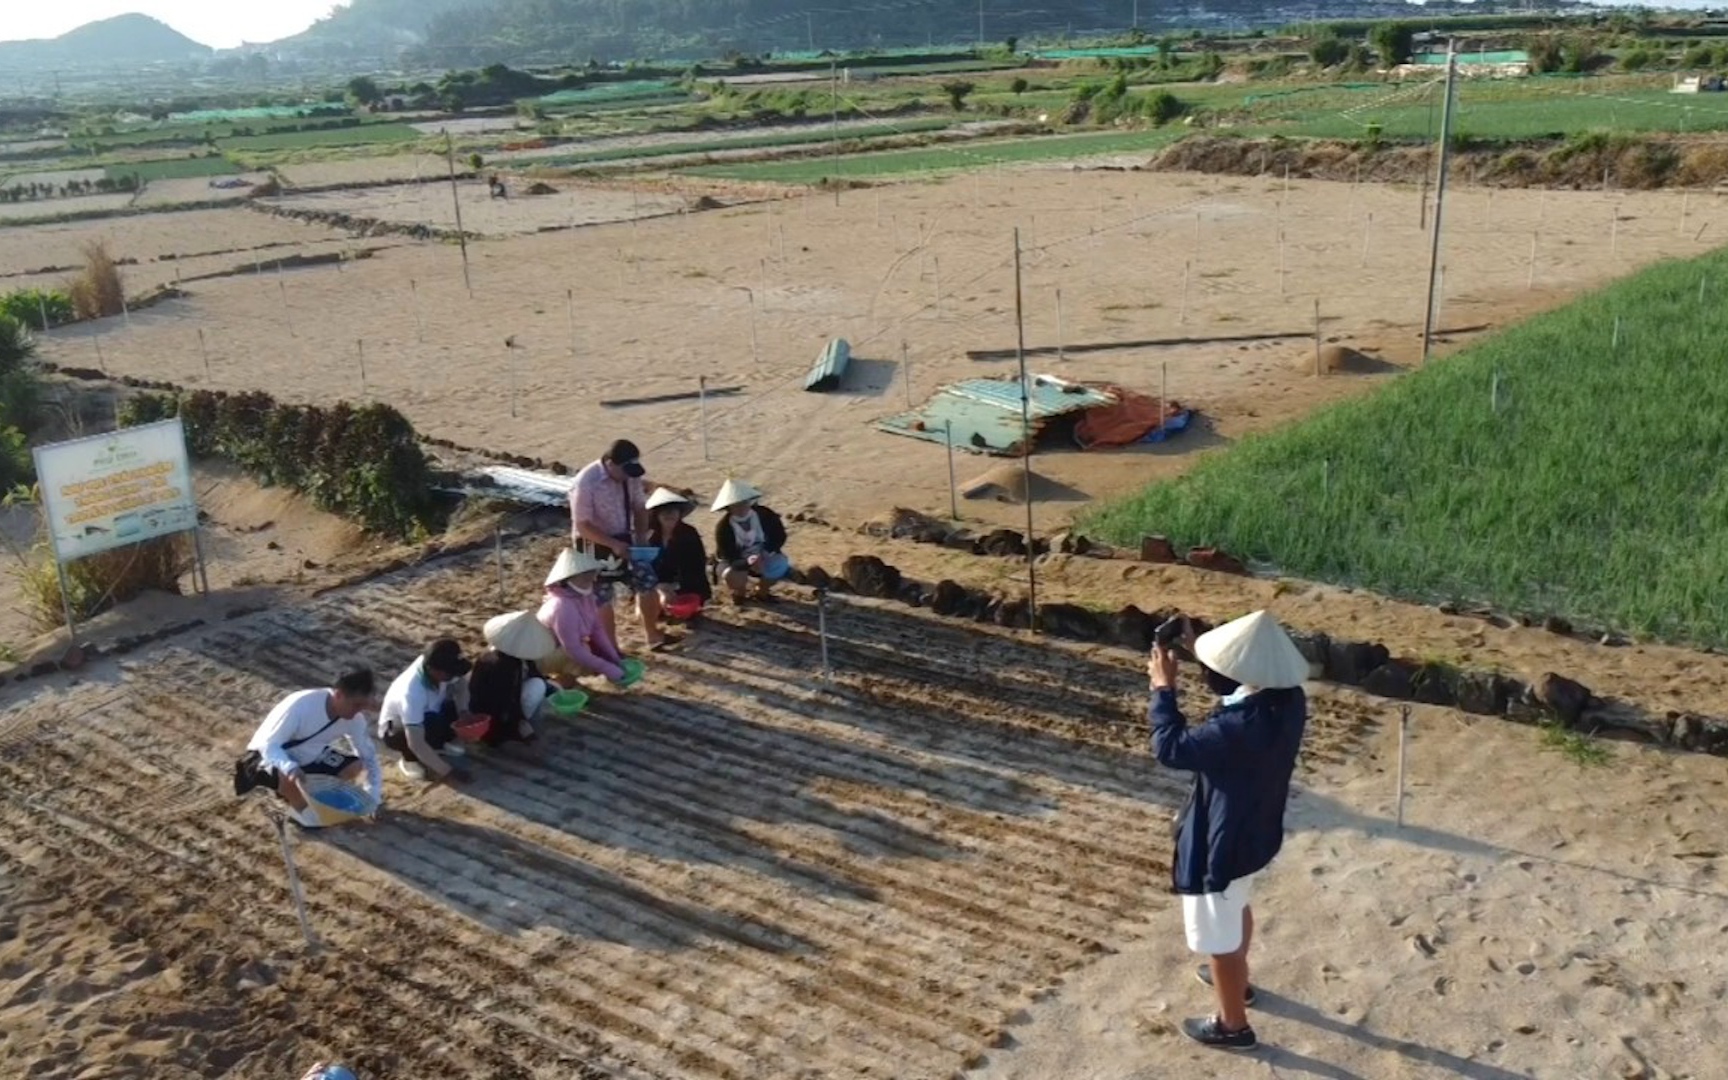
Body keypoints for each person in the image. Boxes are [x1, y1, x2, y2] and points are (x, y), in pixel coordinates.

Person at [1148, 610, 1309, 1052]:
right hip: (1254, 830)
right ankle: (1238, 982)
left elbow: (1171, 747)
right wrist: (1195, 647)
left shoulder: (1238, 729)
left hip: (1222, 841)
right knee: (1237, 905)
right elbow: (1232, 687)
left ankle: (1232, 1024)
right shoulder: (1288, 701)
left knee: (1219, 939)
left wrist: (1163, 689)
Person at [236, 669, 382, 827]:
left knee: (354, 767)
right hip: (269, 755)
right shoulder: (301, 706)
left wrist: (373, 796)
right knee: (289, 778)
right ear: (339, 695)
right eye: (356, 705)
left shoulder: (355, 720)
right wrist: (290, 767)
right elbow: (268, 745)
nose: (358, 711)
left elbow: (369, 758)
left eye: (363, 706)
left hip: (310, 756)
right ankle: (302, 811)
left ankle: (304, 795)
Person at [569, 438, 672, 651]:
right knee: (603, 598)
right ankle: (611, 647)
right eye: (625, 471)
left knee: (648, 582)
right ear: (611, 464)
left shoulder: (631, 477)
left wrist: (642, 538)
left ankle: (652, 634)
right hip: (593, 544)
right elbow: (583, 525)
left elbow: (639, 508)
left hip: (626, 538)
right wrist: (612, 544)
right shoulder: (586, 482)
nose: (628, 476)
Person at [378, 639, 475, 784]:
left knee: (452, 711)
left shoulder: (436, 664)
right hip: (399, 727)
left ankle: (438, 745)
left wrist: (464, 712)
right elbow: (415, 742)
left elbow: (461, 685)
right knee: (406, 734)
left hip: (432, 711)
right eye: (450, 673)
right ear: (433, 670)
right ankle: (409, 759)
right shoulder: (411, 693)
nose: (453, 676)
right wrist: (448, 771)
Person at [537, 547, 629, 684]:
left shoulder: (585, 597)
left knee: (590, 649)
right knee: (583, 650)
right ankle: (559, 683)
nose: (590, 577)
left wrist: (614, 658)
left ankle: (567, 679)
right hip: (541, 655)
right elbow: (573, 649)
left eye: (590, 573)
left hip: (559, 648)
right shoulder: (563, 606)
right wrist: (607, 668)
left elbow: (597, 629)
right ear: (567, 579)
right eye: (583, 574)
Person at [468, 610, 558, 745]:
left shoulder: (514, 656)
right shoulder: (502, 667)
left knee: (545, 685)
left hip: (508, 700)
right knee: (537, 686)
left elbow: (533, 673)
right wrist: (521, 723)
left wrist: (554, 690)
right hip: (493, 714)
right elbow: (504, 701)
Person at [710, 478, 791, 604]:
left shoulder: (765, 514)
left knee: (780, 563)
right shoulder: (724, 527)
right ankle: (739, 593)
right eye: (736, 505)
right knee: (733, 575)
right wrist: (748, 562)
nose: (741, 508)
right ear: (728, 507)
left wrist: (765, 553)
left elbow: (779, 536)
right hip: (735, 560)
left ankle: (762, 591)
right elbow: (728, 555)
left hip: (763, 553)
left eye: (744, 502)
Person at [646, 487, 712, 618]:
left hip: (688, 585)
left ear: (679, 513)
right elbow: (644, 568)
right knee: (648, 611)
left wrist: (675, 587)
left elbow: (697, 567)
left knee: (685, 611)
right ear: (656, 515)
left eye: (673, 510)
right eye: (664, 511)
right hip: (657, 585)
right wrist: (660, 587)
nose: (669, 514)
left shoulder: (689, 534)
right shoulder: (649, 536)